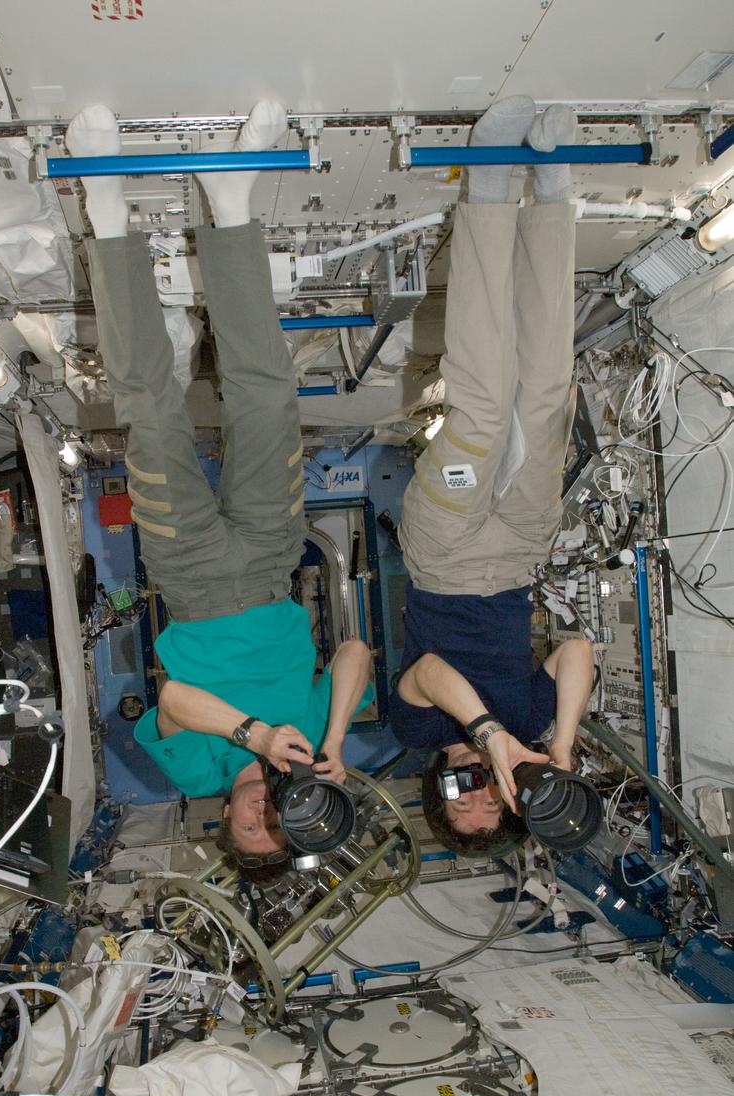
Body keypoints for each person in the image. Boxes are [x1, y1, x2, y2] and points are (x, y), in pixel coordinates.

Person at [66, 102, 373, 859]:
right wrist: (332, 739)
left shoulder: (199, 774)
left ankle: (107, 223)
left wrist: (253, 735)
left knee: (154, 412)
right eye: (283, 821)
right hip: (273, 561)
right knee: (268, 397)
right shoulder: (307, 747)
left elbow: (170, 701)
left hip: (193, 576)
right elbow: (355, 654)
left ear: (224, 824)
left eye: (251, 828)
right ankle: (229, 205)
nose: (266, 811)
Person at [390, 96, 595, 854]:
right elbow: (575, 651)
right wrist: (559, 750)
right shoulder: (532, 724)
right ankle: (552, 191)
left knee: (478, 408)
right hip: (515, 553)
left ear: (436, 784)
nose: (476, 780)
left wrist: (484, 733)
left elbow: (433, 669)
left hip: (443, 555)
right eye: (491, 798)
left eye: (458, 792)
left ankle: (489, 186)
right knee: (544, 396)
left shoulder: (420, 726)